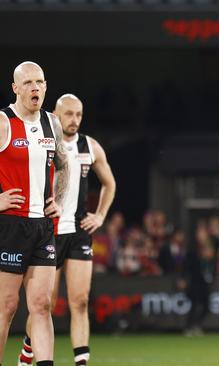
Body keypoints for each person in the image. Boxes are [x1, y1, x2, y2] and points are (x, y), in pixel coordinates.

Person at [18, 94, 116, 366]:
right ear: (56, 114)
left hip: (79, 231)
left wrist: (100, 216)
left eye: (79, 115)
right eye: (69, 114)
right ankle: (28, 351)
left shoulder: (90, 146)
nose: (74, 120)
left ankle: (81, 362)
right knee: (44, 304)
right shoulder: (46, 142)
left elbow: (110, 183)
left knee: (80, 301)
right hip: (48, 231)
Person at [0, 61, 69, 366]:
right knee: (7, 306)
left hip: (43, 226)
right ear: (15, 88)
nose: (35, 88)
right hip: (10, 226)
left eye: (39, 82)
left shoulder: (52, 123)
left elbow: (64, 166)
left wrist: (60, 200)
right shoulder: (3, 122)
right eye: (28, 83)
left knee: (41, 305)